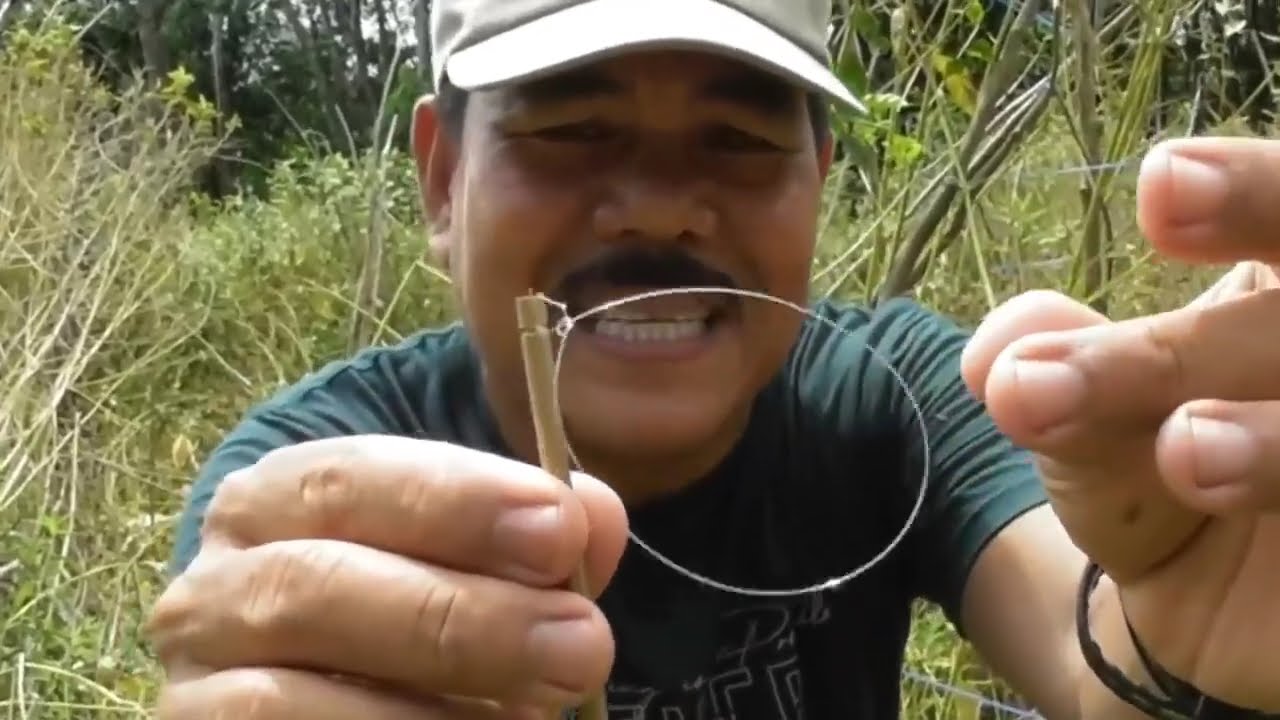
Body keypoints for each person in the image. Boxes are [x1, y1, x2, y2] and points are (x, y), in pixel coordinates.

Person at [146, 0, 1280, 717]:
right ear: (443, 183)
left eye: (737, 142)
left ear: (819, 184)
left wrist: (1181, 626)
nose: (659, 209)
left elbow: (1096, 648)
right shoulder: (313, 491)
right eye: (569, 130)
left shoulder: (887, 396)